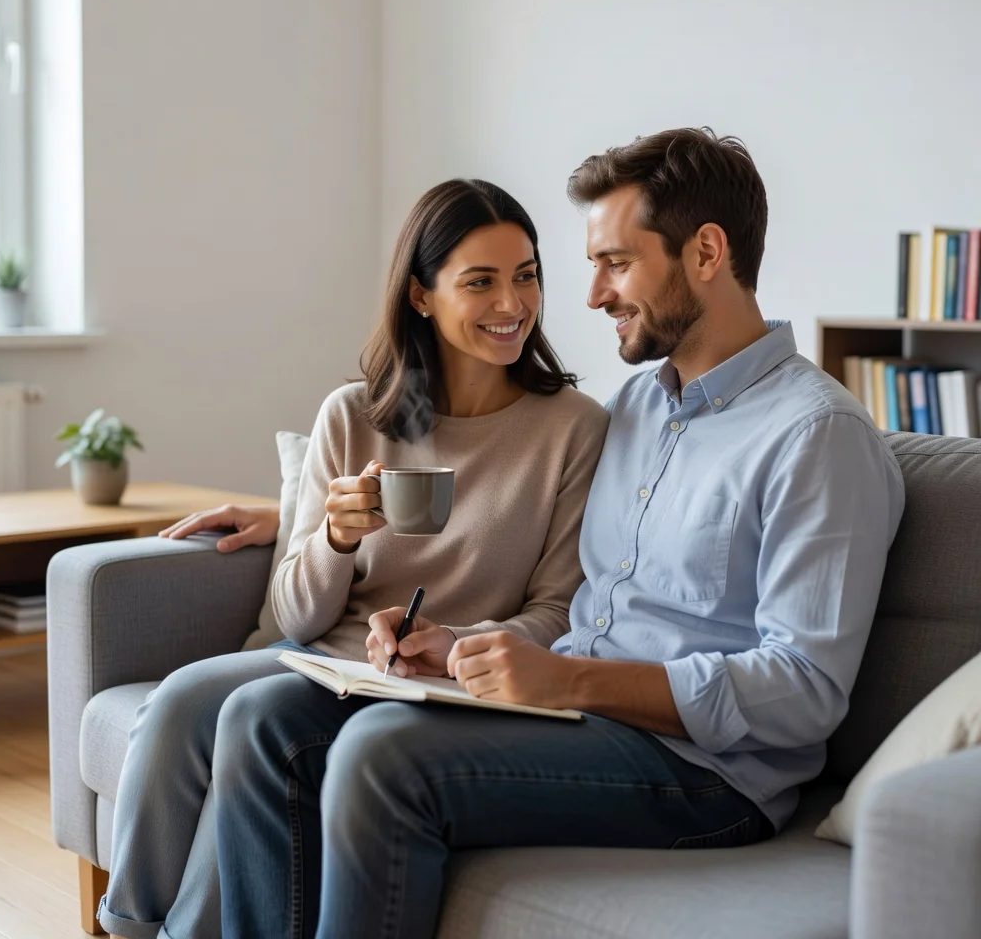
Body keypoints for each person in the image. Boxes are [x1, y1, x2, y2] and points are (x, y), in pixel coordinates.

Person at [212, 128, 906, 939]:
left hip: (705, 773)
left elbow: (803, 691)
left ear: (706, 253)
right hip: (575, 719)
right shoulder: (637, 409)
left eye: (616, 263)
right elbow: (559, 572)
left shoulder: (818, 436)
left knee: (381, 757)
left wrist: (569, 682)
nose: (593, 296)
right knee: (268, 723)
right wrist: (457, 644)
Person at [97, 179, 609, 939]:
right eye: (480, 281)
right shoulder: (353, 414)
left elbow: (560, 611)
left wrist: (458, 644)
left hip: (457, 680)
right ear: (421, 295)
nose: (513, 303)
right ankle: (129, 927)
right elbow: (297, 618)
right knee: (177, 703)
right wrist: (334, 539)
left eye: (526, 275)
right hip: (328, 661)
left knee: (250, 725)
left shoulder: (574, 429)